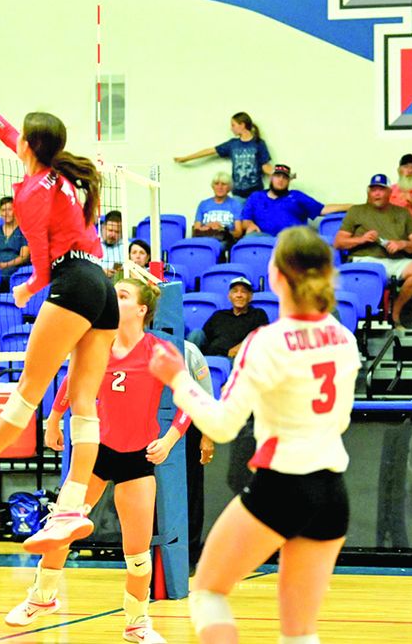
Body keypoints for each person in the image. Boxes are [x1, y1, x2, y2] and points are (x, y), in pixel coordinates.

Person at [0, 71, 118, 555]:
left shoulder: (32, 189)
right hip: (103, 286)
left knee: (28, 392)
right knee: (83, 402)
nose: (14, 140)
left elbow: (38, 253)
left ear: (31, 146)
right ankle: (72, 506)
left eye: (21, 137)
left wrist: (29, 289)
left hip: (72, 282)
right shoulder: (62, 177)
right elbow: (2, 128)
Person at [147, 225, 360, 644]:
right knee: (299, 632)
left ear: (276, 276)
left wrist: (177, 379)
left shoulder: (266, 342)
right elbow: (340, 419)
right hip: (332, 491)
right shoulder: (345, 338)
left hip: (282, 486)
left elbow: (223, 425)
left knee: (207, 592)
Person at [12, 278, 190, 642]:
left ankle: (136, 623)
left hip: (138, 459)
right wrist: (51, 420)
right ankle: (41, 597)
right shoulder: (98, 345)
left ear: (142, 310)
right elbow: (70, 381)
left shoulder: (160, 352)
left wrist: (170, 439)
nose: (114, 299)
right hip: (96, 453)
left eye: (122, 295)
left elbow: (190, 399)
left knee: (137, 555)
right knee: (60, 531)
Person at [333, 173, 412, 330]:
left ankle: (394, 312)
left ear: (390, 192)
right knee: (367, 274)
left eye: (381, 190)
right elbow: (338, 242)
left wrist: (401, 244)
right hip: (364, 262)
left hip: (394, 261)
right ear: (368, 192)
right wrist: (362, 239)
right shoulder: (357, 211)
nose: (377, 193)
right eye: (373, 190)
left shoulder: (403, 213)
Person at [174, 112, 273, 199]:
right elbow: (210, 151)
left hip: (255, 194)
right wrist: (186, 158)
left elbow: (265, 167)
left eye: (233, 125)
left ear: (242, 125)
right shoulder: (233, 144)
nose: (231, 128)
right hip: (238, 194)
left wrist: (280, 176)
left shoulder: (259, 143)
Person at [240, 165, 349, 238]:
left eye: (285, 178)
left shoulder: (296, 196)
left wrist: (352, 206)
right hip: (264, 242)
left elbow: (323, 210)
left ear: (289, 181)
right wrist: (250, 225)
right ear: (271, 178)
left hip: (293, 243)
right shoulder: (256, 197)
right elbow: (246, 221)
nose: (281, 180)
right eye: (277, 176)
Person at [194, 276, 270, 359]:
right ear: (229, 296)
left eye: (243, 292)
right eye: (235, 291)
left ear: (250, 297)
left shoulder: (257, 314)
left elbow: (262, 337)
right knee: (196, 333)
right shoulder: (219, 315)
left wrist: (240, 347)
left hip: (235, 360)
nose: (239, 295)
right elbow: (204, 338)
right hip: (210, 358)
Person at [0, 195, 29, 286]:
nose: (6, 213)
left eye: (9, 209)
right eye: (3, 210)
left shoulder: (23, 231)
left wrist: (6, 265)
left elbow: (24, 256)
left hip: (14, 268)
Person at [192, 171, 243, 248]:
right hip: (204, 239)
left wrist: (222, 230)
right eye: (216, 184)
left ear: (229, 187)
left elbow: (239, 232)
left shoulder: (236, 204)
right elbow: (196, 230)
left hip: (224, 240)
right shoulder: (203, 204)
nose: (220, 187)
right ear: (213, 187)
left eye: (223, 184)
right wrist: (209, 227)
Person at [100, 210, 126, 278]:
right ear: (103, 227)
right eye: (110, 230)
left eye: (117, 232)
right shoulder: (92, 243)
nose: (113, 235)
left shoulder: (127, 247)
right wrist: (101, 272)